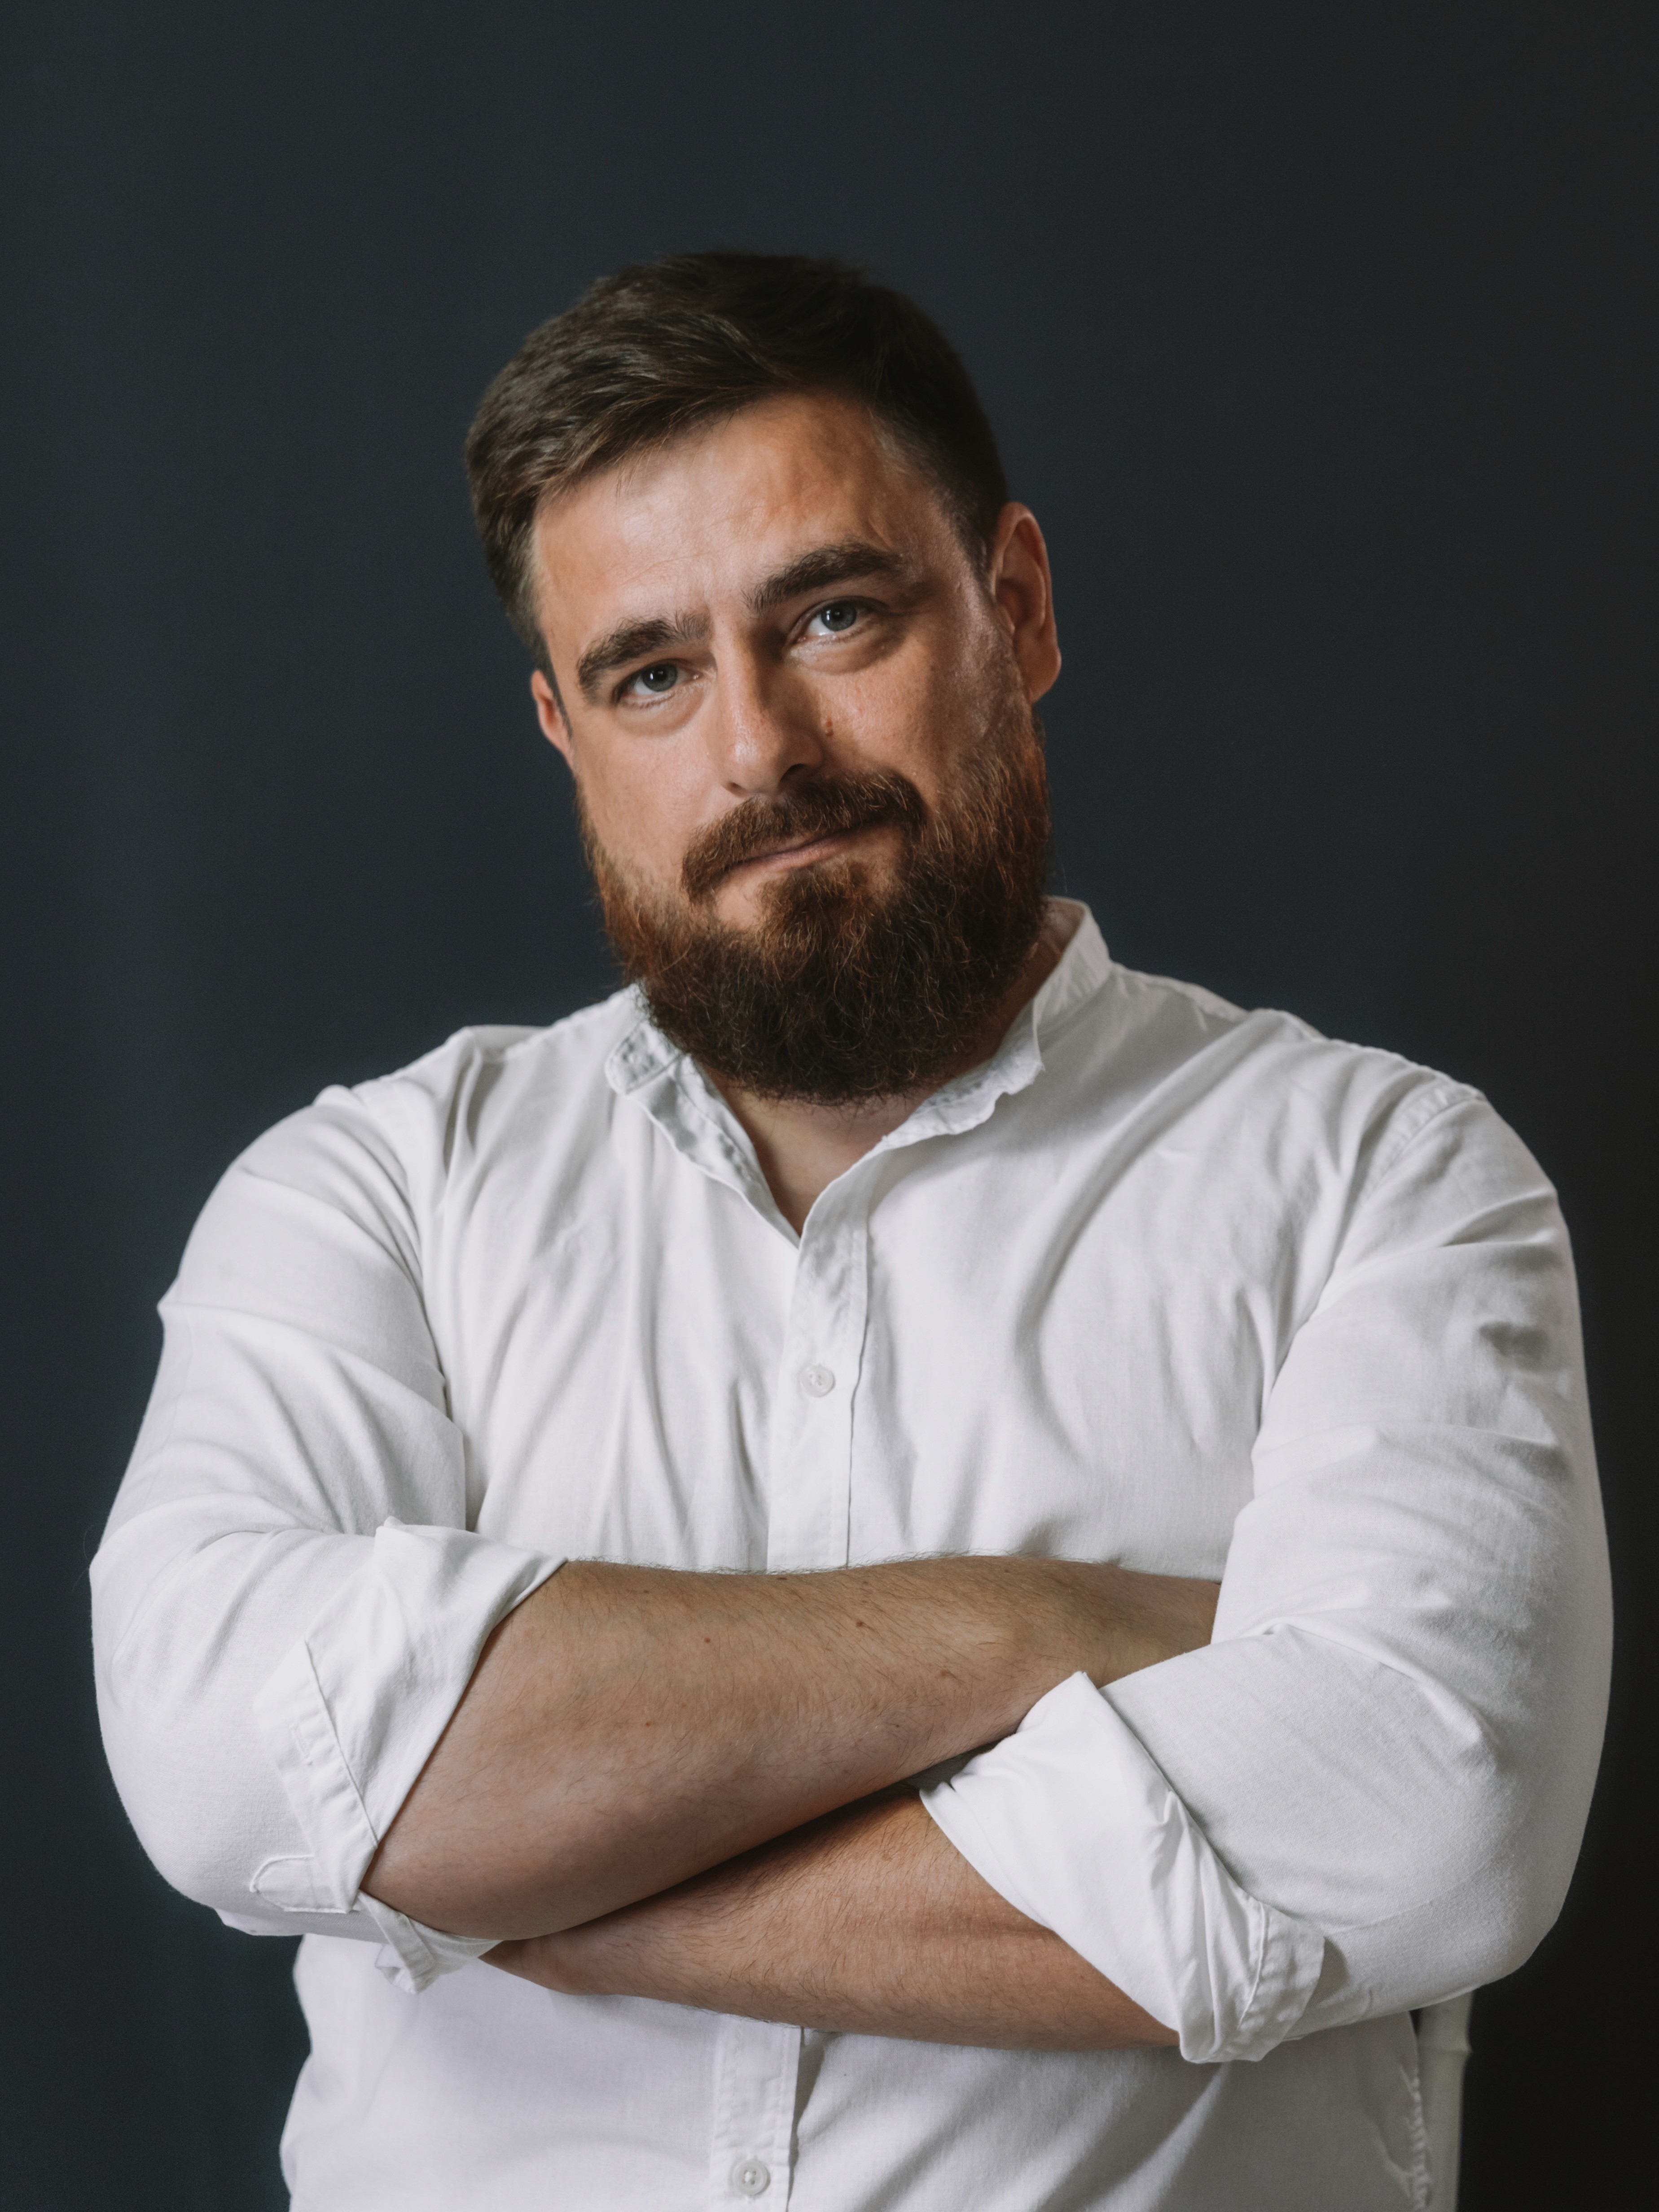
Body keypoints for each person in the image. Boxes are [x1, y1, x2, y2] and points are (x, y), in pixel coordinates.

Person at [92, 252, 1611, 2212]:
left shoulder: (1386, 1179)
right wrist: (1041, 1625)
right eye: (652, 673)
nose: (759, 749)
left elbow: (1424, 1821)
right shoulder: (373, 1192)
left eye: (833, 616)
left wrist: (517, 1882)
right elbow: (228, 1754)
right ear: (564, 730)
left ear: (1017, 606)